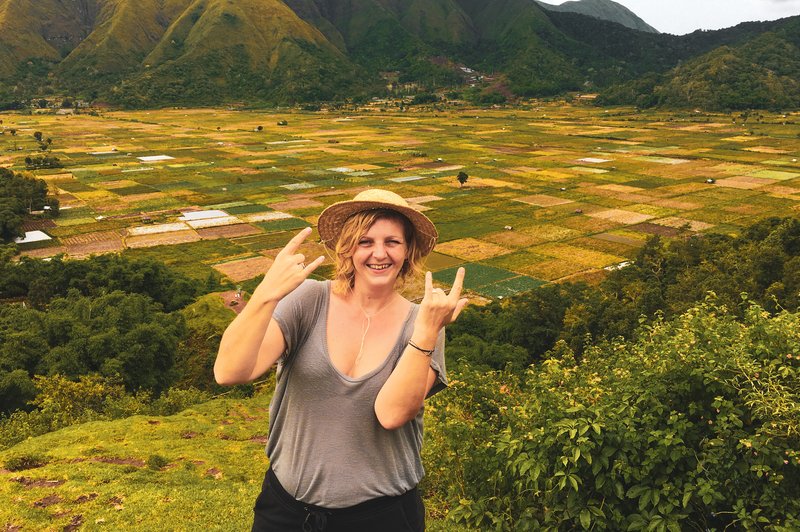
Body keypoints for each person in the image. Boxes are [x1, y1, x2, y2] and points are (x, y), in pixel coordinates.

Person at [214, 189, 468, 532]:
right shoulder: (307, 300)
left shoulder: (422, 324)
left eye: (392, 242)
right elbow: (230, 371)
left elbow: (392, 414)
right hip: (287, 514)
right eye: (365, 241)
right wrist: (266, 293)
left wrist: (425, 333)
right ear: (347, 248)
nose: (379, 253)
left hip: (382, 518)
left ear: (407, 251)